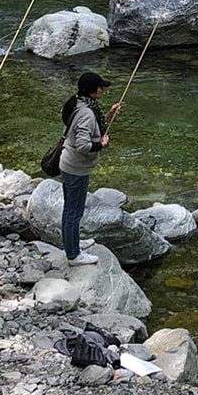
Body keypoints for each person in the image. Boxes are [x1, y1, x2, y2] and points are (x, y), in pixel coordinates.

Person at [57, 71, 119, 266]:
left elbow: (92, 129)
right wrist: (102, 145)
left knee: (71, 210)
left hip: (70, 165)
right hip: (75, 168)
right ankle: (74, 255)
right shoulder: (86, 113)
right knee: (73, 212)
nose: (103, 89)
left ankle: (73, 243)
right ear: (93, 91)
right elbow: (83, 145)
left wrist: (110, 114)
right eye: (101, 87)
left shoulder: (79, 103)